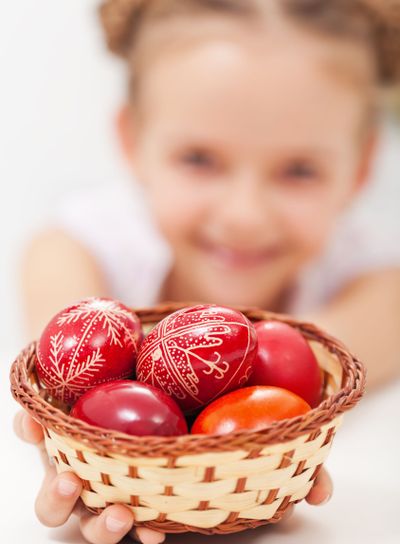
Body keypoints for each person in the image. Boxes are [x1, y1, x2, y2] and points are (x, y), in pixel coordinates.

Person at [15, 1, 400, 543]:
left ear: (359, 170)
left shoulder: (364, 268)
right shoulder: (91, 244)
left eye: (299, 171)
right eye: (199, 159)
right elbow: (63, 341)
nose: (244, 215)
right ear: (132, 143)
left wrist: (266, 444)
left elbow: (382, 317)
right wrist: (78, 449)